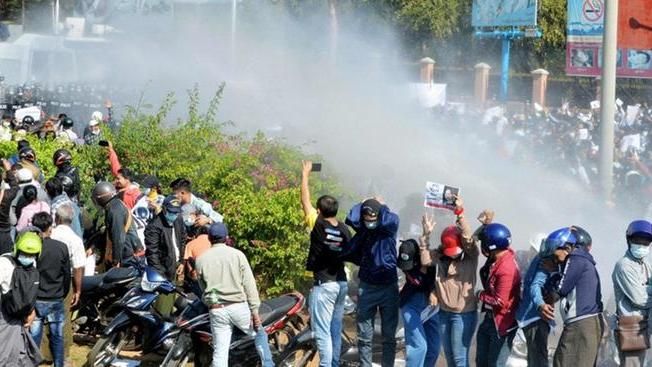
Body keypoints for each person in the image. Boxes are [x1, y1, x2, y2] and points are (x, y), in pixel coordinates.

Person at [195, 223, 274, 367]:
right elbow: (249, 285)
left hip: (217, 309)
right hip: (238, 307)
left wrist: (210, 304)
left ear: (209, 238)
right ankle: (268, 364)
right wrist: (255, 311)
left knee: (220, 351)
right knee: (260, 334)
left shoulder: (201, 260)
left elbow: (203, 288)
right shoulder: (237, 255)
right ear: (226, 238)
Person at [300, 160, 351, 367]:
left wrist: (305, 174)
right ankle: (335, 363)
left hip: (325, 284)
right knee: (334, 329)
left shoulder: (317, 223)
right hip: (341, 283)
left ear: (319, 210)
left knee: (322, 331)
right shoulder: (344, 228)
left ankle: (327, 365)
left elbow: (305, 201)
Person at [421, 196, 477, 367]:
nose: (453, 255)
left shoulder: (470, 256)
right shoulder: (440, 257)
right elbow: (424, 260)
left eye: (455, 251)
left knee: (460, 358)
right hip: (444, 312)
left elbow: (468, 238)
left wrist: (460, 212)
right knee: (449, 357)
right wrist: (425, 236)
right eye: (449, 251)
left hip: (463, 314)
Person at [345, 197, 399, 367]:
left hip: (388, 288)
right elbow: (351, 218)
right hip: (367, 287)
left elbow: (393, 219)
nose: (369, 222)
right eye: (366, 219)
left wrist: (381, 207)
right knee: (364, 336)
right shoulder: (363, 229)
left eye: (372, 218)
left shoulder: (388, 229)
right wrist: (362, 204)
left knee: (389, 336)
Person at [545, 227, 604, 367]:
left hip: (581, 323)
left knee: (564, 362)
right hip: (585, 323)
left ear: (566, 246)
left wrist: (552, 273)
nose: (553, 255)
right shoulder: (583, 261)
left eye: (555, 250)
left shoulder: (575, 258)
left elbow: (561, 289)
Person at [476, 223, 521, 367]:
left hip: (501, 325)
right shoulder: (497, 260)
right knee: (481, 362)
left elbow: (500, 301)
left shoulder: (506, 268)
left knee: (495, 364)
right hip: (490, 319)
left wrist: (479, 295)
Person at [30, 212, 71, 367]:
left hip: (37, 298)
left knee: (34, 336)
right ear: (50, 227)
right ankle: (59, 363)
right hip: (55, 297)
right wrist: (63, 292)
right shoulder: (61, 247)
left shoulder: (33, 247)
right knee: (57, 336)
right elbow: (67, 274)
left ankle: (32, 363)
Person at [398, 214, 440, 367]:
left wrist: (426, 233)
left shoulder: (428, 263)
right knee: (419, 346)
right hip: (411, 305)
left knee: (434, 348)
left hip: (430, 307)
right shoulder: (407, 266)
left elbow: (425, 252)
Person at [612, 220, 652, 367]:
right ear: (629, 240)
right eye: (638, 240)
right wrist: (648, 290)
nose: (642, 244)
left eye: (646, 241)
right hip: (630, 326)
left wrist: (646, 289)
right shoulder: (624, 266)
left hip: (643, 324)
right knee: (632, 364)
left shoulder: (646, 264)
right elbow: (639, 299)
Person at [0, 231, 43, 366]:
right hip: (16, 314)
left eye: (31, 255)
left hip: (11, 316)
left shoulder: (4, 262)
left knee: (8, 354)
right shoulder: (30, 265)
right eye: (26, 253)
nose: (28, 257)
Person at [515, 236, 558, 367]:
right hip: (534, 316)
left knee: (536, 358)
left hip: (533, 316)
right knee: (537, 359)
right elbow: (535, 285)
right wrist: (541, 304)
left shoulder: (539, 260)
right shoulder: (542, 260)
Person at [145, 195, 186, 317]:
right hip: (163, 271)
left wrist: (182, 261)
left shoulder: (178, 220)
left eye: (176, 212)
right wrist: (161, 275)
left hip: (176, 266)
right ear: (164, 209)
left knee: (181, 304)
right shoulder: (155, 226)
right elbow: (152, 254)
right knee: (162, 310)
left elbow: (182, 240)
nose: (173, 215)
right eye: (171, 212)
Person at [91, 181, 143, 268]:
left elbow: (118, 237)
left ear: (101, 198)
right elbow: (109, 232)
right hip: (127, 252)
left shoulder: (114, 210)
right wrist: (93, 247)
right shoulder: (114, 205)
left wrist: (116, 260)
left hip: (127, 255)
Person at [105, 141, 141, 209]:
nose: (116, 181)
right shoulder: (122, 186)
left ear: (127, 180)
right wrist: (111, 150)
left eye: (118, 179)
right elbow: (115, 166)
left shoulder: (131, 195)